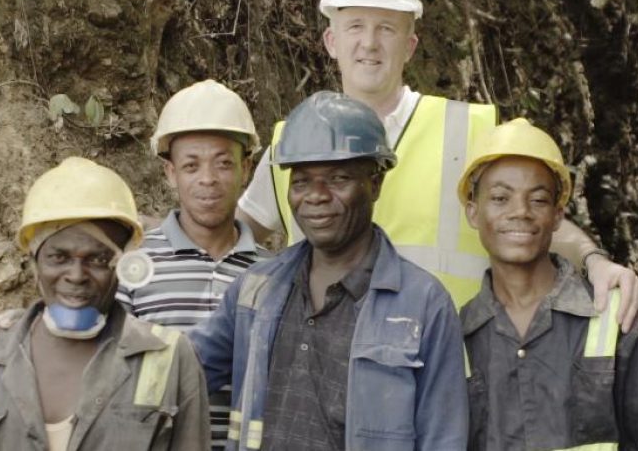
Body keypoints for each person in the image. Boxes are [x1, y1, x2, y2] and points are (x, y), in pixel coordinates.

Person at [236, 0, 638, 331]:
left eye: (386, 28)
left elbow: (526, 218)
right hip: (326, 380)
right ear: (331, 41)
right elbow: (235, 235)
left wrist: (594, 262)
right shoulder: (293, 142)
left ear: (411, 45)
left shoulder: (466, 133)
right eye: (355, 26)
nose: (369, 43)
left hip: (446, 377)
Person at [190, 91, 468, 451]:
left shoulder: (424, 305)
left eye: (337, 179)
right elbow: (180, 371)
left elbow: (443, 439)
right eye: (302, 181)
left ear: (375, 183)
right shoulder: (256, 289)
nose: (316, 196)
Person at [0, 157, 209, 450]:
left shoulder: (170, 356)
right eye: (58, 258)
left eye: (98, 260)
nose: (76, 276)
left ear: (125, 264)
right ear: (34, 262)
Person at [457, 120, 638, 450]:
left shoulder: (616, 319)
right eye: (501, 198)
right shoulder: (457, 336)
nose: (520, 212)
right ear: (473, 213)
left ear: (558, 215)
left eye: (538, 200)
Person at [119, 79, 270, 450]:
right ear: (171, 173)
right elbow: (108, 377)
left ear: (246, 168)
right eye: (191, 165)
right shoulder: (133, 265)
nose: (208, 179)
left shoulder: (273, 274)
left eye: (223, 163)